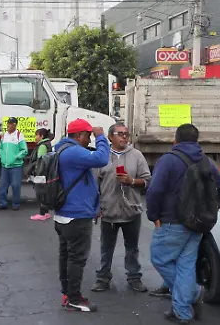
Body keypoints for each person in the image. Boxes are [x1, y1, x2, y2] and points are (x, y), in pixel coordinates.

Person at [145, 123, 220, 323]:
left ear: (175, 140)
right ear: (196, 140)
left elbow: (154, 191)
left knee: (160, 259)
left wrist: (153, 216)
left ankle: (192, 293)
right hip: (198, 224)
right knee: (185, 266)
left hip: (171, 222)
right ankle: (182, 311)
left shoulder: (167, 161)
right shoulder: (205, 161)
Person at [54, 119, 109, 312]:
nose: (89, 139)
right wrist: (101, 137)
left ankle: (68, 293)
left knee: (66, 256)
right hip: (76, 215)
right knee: (76, 258)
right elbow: (102, 158)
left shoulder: (60, 149)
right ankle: (74, 298)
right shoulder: (74, 151)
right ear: (78, 136)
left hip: (64, 214)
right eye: (88, 135)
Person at [91, 122, 151, 293]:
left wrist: (131, 181)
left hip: (131, 211)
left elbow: (147, 180)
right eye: (120, 134)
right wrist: (96, 207)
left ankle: (134, 278)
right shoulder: (102, 156)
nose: (125, 137)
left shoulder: (137, 156)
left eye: (126, 134)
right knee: (106, 248)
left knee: (132, 248)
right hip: (108, 211)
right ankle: (103, 278)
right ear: (110, 137)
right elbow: (95, 185)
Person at [0, 117, 28, 211]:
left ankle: (16, 204)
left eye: (10, 124)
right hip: (5, 166)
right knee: (3, 185)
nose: (8, 125)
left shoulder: (19, 135)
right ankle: (3, 204)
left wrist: (15, 157)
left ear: (15, 125)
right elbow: (1, 148)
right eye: (8, 123)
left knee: (15, 185)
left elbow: (24, 150)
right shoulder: (4, 135)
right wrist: (2, 157)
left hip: (16, 166)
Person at [29, 128, 54, 221]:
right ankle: (45, 213)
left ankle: (43, 214)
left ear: (41, 136)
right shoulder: (46, 144)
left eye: (36, 135)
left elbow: (40, 161)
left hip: (41, 173)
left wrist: (36, 171)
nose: (35, 137)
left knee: (41, 193)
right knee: (44, 192)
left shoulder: (42, 146)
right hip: (46, 173)